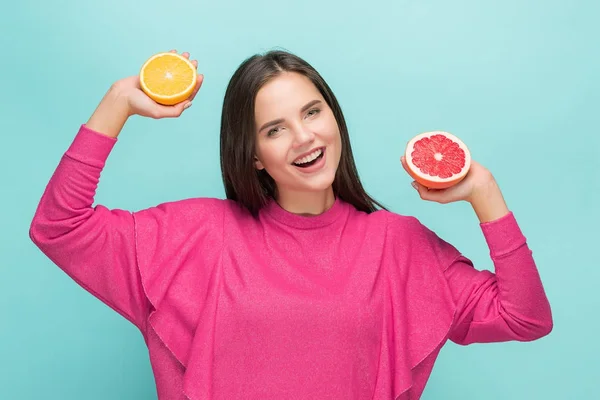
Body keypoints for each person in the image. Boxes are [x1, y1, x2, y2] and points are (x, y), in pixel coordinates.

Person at [29, 49, 553, 400]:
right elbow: (59, 227)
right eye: (274, 129)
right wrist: (118, 103)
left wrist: (485, 195)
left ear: (334, 118)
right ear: (253, 155)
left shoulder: (398, 245)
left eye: (313, 112)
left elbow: (525, 319)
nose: (303, 138)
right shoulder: (197, 234)